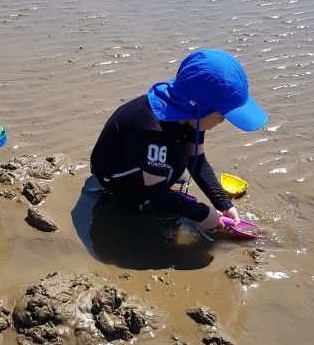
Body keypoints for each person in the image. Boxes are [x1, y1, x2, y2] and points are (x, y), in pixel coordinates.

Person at [90, 49, 268, 234]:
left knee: (181, 157)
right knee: (175, 162)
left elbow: (197, 161)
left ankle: (158, 181)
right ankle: (139, 201)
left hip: (141, 155)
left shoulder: (190, 111)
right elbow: (157, 194)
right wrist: (202, 213)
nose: (221, 121)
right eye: (221, 115)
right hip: (112, 174)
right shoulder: (153, 131)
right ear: (201, 107)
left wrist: (223, 203)